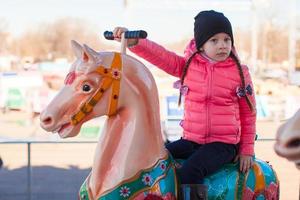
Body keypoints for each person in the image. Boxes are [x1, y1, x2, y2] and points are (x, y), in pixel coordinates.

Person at [113, 10, 256, 200]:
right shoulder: (188, 66)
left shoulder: (239, 72)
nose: (222, 45)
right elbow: (162, 57)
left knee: (190, 171)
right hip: (192, 140)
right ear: (201, 45)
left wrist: (246, 149)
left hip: (223, 144)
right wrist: (136, 43)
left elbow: (249, 113)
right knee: (156, 158)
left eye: (227, 39)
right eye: (214, 40)